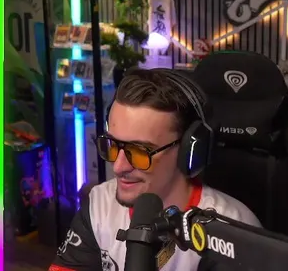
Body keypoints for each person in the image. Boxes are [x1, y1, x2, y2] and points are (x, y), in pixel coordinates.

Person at [50, 69, 260, 271]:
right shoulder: (100, 206)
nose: (119, 167)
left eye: (140, 151)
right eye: (113, 145)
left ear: (190, 151)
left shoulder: (231, 232)